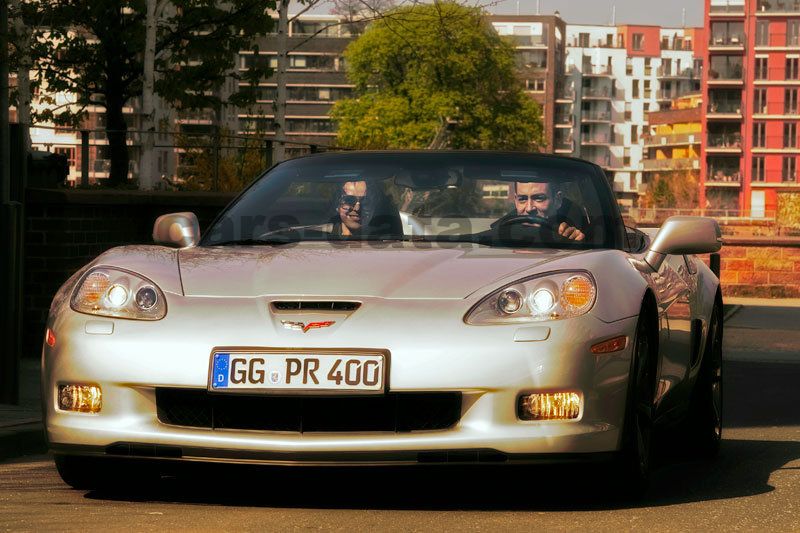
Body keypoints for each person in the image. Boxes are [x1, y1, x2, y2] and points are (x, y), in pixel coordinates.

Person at [491, 180, 585, 241]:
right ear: (515, 200)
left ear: (558, 200)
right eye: (522, 199)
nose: (529, 208)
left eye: (539, 198)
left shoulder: (569, 234)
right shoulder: (496, 238)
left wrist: (576, 243)